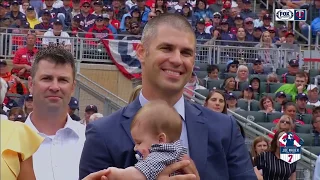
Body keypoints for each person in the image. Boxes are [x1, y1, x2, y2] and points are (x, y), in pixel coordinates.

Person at [79, 13, 255, 179]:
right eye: (166, 48)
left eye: (186, 53)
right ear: (141, 52)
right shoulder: (103, 133)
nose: (177, 60)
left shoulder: (225, 129)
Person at [25, 45, 85, 180]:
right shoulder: (8, 141)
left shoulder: (90, 140)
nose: (54, 87)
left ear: (72, 87)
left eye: (63, 80)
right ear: (31, 84)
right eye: (46, 78)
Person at [103, 100, 187, 180]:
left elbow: (138, 175)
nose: (135, 148)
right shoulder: (176, 153)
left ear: (161, 140)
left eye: (139, 142)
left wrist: (117, 174)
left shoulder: (162, 155)